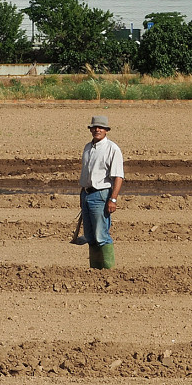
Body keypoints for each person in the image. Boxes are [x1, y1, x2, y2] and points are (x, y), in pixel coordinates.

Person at [77, 114, 124, 269]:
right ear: (91, 129)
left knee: (101, 235)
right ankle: (95, 269)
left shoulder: (112, 149)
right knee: (90, 236)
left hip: (101, 194)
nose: (97, 130)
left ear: (106, 130)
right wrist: (82, 195)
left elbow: (118, 177)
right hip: (87, 194)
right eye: (94, 127)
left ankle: (108, 270)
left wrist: (113, 199)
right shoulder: (88, 147)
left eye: (101, 127)